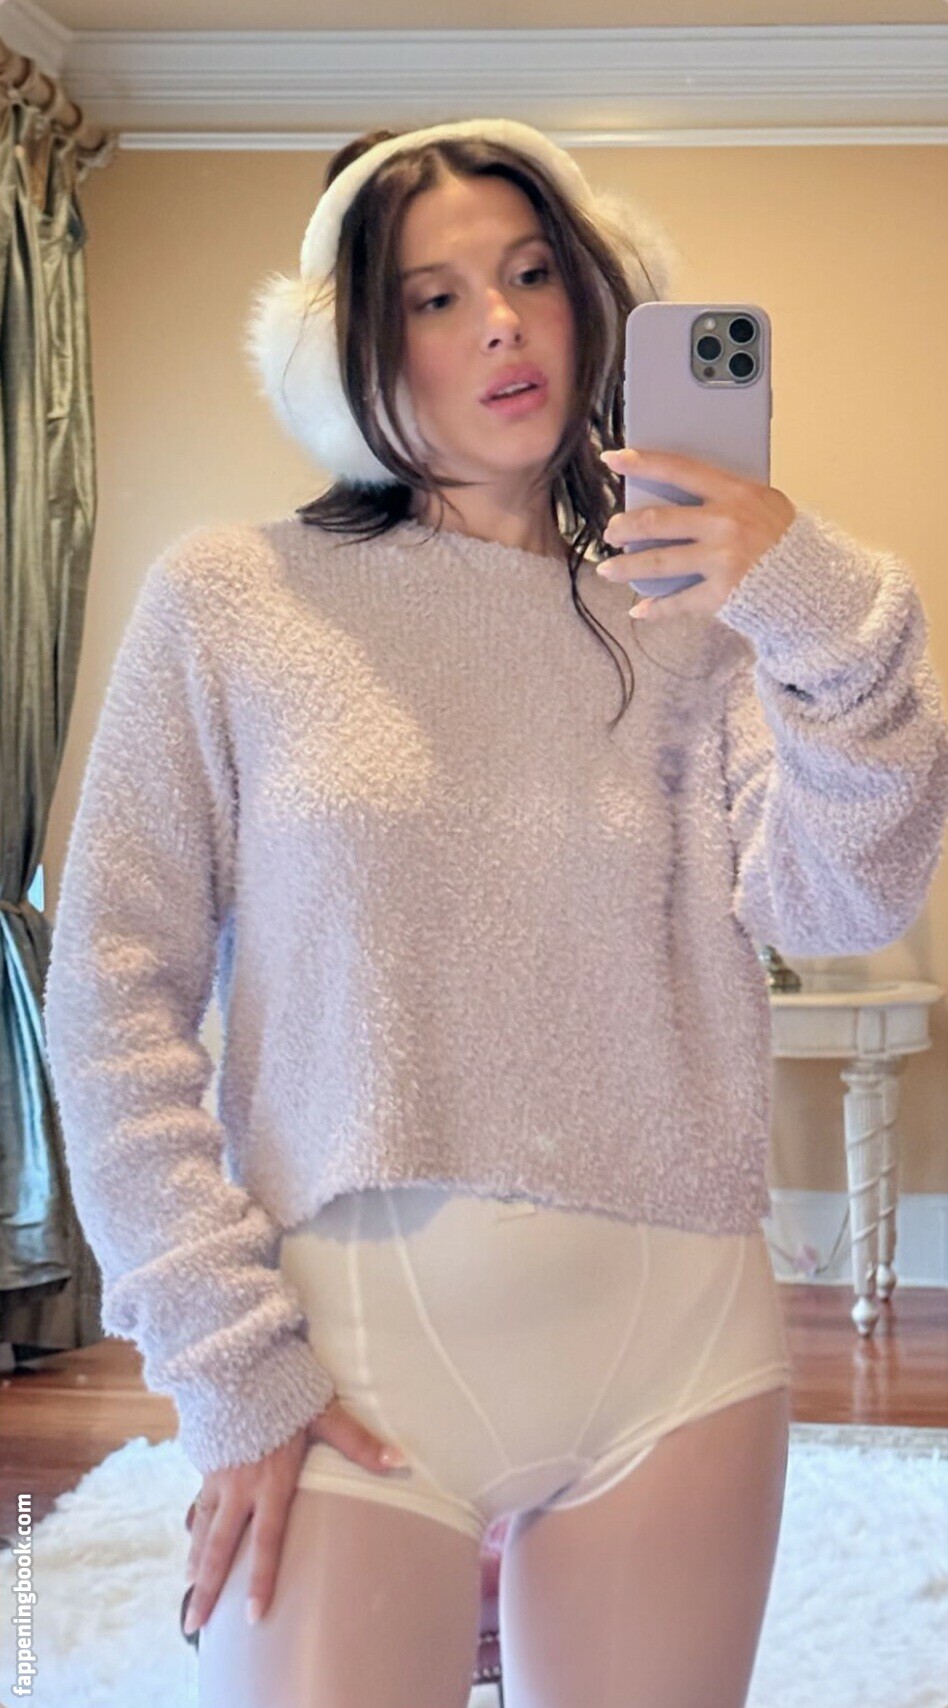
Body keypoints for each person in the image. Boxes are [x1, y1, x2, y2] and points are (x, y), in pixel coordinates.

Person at [43, 119, 948, 1708]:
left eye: (532, 275)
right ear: (347, 347)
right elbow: (114, 987)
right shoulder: (232, 600)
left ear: (596, 301)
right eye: (436, 298)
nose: (504, 326)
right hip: (353, 1350)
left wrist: (807, 598)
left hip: (681, 1344)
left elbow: (843, 891)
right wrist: (224, 1358)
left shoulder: (697, 629)